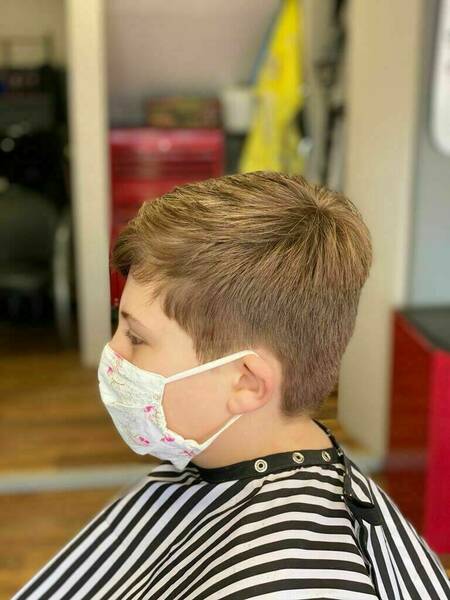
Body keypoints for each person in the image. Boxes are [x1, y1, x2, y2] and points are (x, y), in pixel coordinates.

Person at [13, 172, 450, 599]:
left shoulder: (293, 582)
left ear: (246, 382)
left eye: (137, 337)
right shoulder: (221, 457)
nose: (113, 353)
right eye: (119, 322)